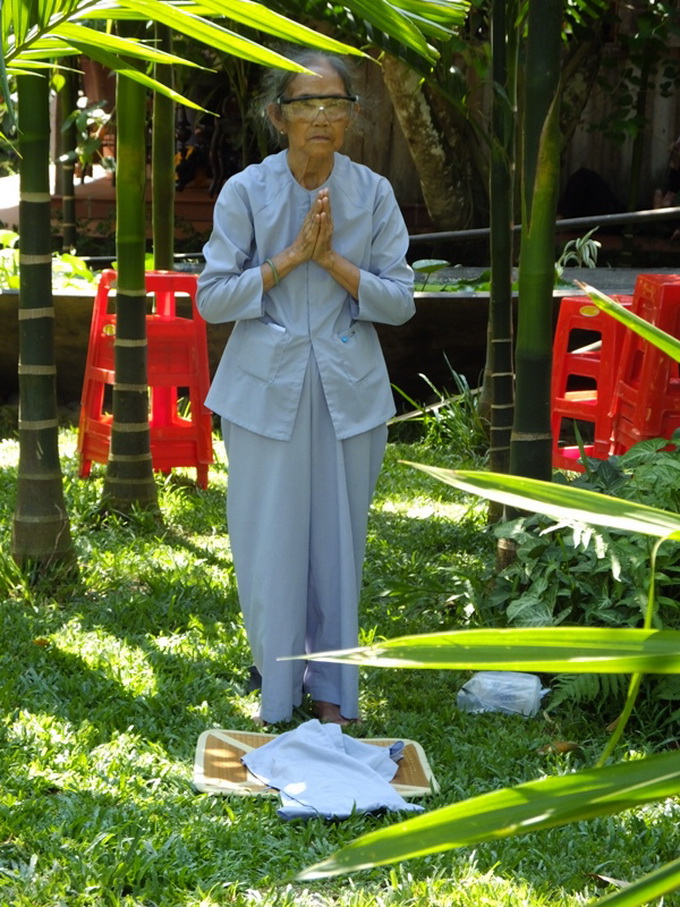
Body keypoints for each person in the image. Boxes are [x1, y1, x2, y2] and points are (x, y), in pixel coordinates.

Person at [196, 50, 415, 726]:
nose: (322, 115)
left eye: (335, 104)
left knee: (339, 543)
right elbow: (212, 297)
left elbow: (400, 300)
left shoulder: (373, 193)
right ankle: (277, 679)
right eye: (306, 103)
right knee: (268, 540)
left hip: (350, 393)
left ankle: (333, 691)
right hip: (264, 393)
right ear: (278, 115)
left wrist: (334, 262)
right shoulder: (245, 192)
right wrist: (290, 258)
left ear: (352, 117)